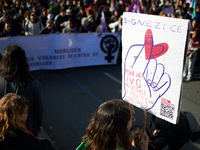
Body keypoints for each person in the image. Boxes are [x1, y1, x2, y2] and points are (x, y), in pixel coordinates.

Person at [0, 44, 43, 137]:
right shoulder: (34, 84)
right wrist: (39, 124)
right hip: (27, 130)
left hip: (4, 131)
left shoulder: (1, 82)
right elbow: (38, 109)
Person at [76, 99, 149, 150]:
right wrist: (144, 148)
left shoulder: (88, 141)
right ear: (121, 128)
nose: (133, 121)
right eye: (131, 119)